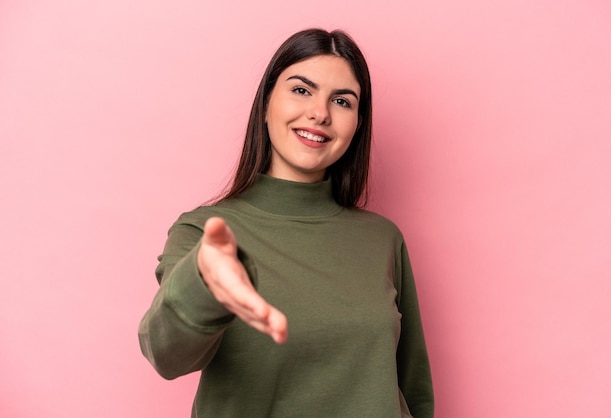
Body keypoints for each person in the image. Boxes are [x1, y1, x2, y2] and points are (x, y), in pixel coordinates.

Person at [138, 28, 434, 417]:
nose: (320, 113)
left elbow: (413, 388)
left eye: (342, 101)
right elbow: (166, 355)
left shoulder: (382, 239)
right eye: (301, 90)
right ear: (265, 105)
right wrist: (204, 281)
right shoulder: (204, 233)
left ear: (358, 124)